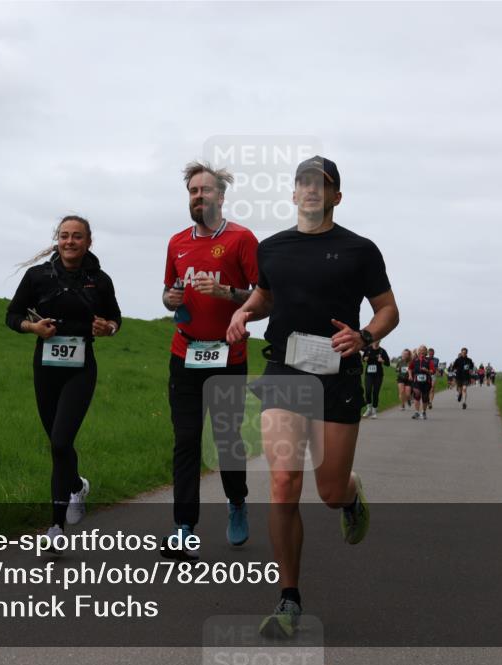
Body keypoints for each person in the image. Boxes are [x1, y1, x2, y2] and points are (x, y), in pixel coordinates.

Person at [226, 156, 398, 638]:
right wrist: (244, 312)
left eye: (321, 185)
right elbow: (265, 297)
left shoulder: (360, 250)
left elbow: (388, 309)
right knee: (282, 483)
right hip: (284, 368)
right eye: (303, 183)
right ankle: (289, 598)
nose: (310, 191)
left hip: (337, 373)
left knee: (327, 491)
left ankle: (349, 497)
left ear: (336, 196)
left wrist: (364, 337)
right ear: (293, 193)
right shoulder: (272, 248)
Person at [160, 161, 259, 560]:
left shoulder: (241, 240)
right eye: (192, 192)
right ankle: (184, 528)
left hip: (227, 355)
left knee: (226, 441)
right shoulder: (177, 242)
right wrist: (170, 299)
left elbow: (262, 299)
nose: (198, 197)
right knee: (185, 440)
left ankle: (237, 502)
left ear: (221, 196)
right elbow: (169, 291)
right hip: (184, 352)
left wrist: (227, 294)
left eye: (205, 191)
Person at [6, 215, 121, 540]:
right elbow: (12, 315)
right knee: (58, 445)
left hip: (81, 369)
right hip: (45, 367)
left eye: (77, 237)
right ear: (57, 239)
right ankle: (76, 485)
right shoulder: (38, 276)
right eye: (64, 236)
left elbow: (115, 318)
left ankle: (55, 527)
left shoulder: (99, 280)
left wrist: (108, 328)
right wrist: (32, 327)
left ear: (88, 242)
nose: (70, 241)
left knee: (60, 440)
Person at [361, 341, 390, 419]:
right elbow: (363, 359)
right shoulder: (367, 349)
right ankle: (368, 408)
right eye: (375, 340)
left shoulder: (382, 351)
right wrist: (364, 359)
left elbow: (388, 363)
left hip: (378, 375)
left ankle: (374, 411)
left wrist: (382, 361)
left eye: (378, 340)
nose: (376, 342)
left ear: (380, 341)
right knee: (367, 390)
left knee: (375, 392)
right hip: (369, 374)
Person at [409, 345, 434, 419]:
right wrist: (410, 375)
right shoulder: (414, 360)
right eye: (420, 350)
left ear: (426, 352)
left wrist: (427, 370)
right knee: (417, 394)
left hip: (427, 382)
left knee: (425, 397)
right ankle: (416, 412)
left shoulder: (429, 361)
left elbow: (433, 371)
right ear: (418, 351)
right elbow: (410, 368)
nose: (422, 351)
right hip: (416, 381)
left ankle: (423, 412)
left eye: (423, 350)